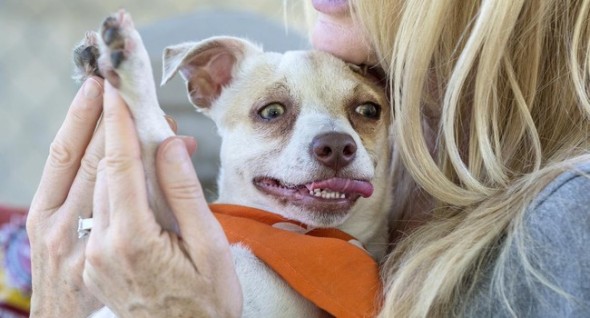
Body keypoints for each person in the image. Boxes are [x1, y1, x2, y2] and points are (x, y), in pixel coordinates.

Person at [26, 0, 590, 317]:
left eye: (365, 113)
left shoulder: (566, 220)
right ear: (207, 86)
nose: (334, 141)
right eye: (273, 113)